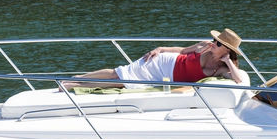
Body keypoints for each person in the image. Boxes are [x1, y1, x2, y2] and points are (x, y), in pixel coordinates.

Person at [62, 28, 246, 89]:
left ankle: (75, 85)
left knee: (123, 82)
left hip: (166, 76)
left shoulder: (222, 68)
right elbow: (182, 50)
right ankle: (76, 80)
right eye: (215, 40)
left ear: (227, 50)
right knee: (119, 74)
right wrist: (160, 48)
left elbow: (239, 80)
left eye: (218, 43)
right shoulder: (203, 46)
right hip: (163, 63)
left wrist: (227, 61)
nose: (213, 43)